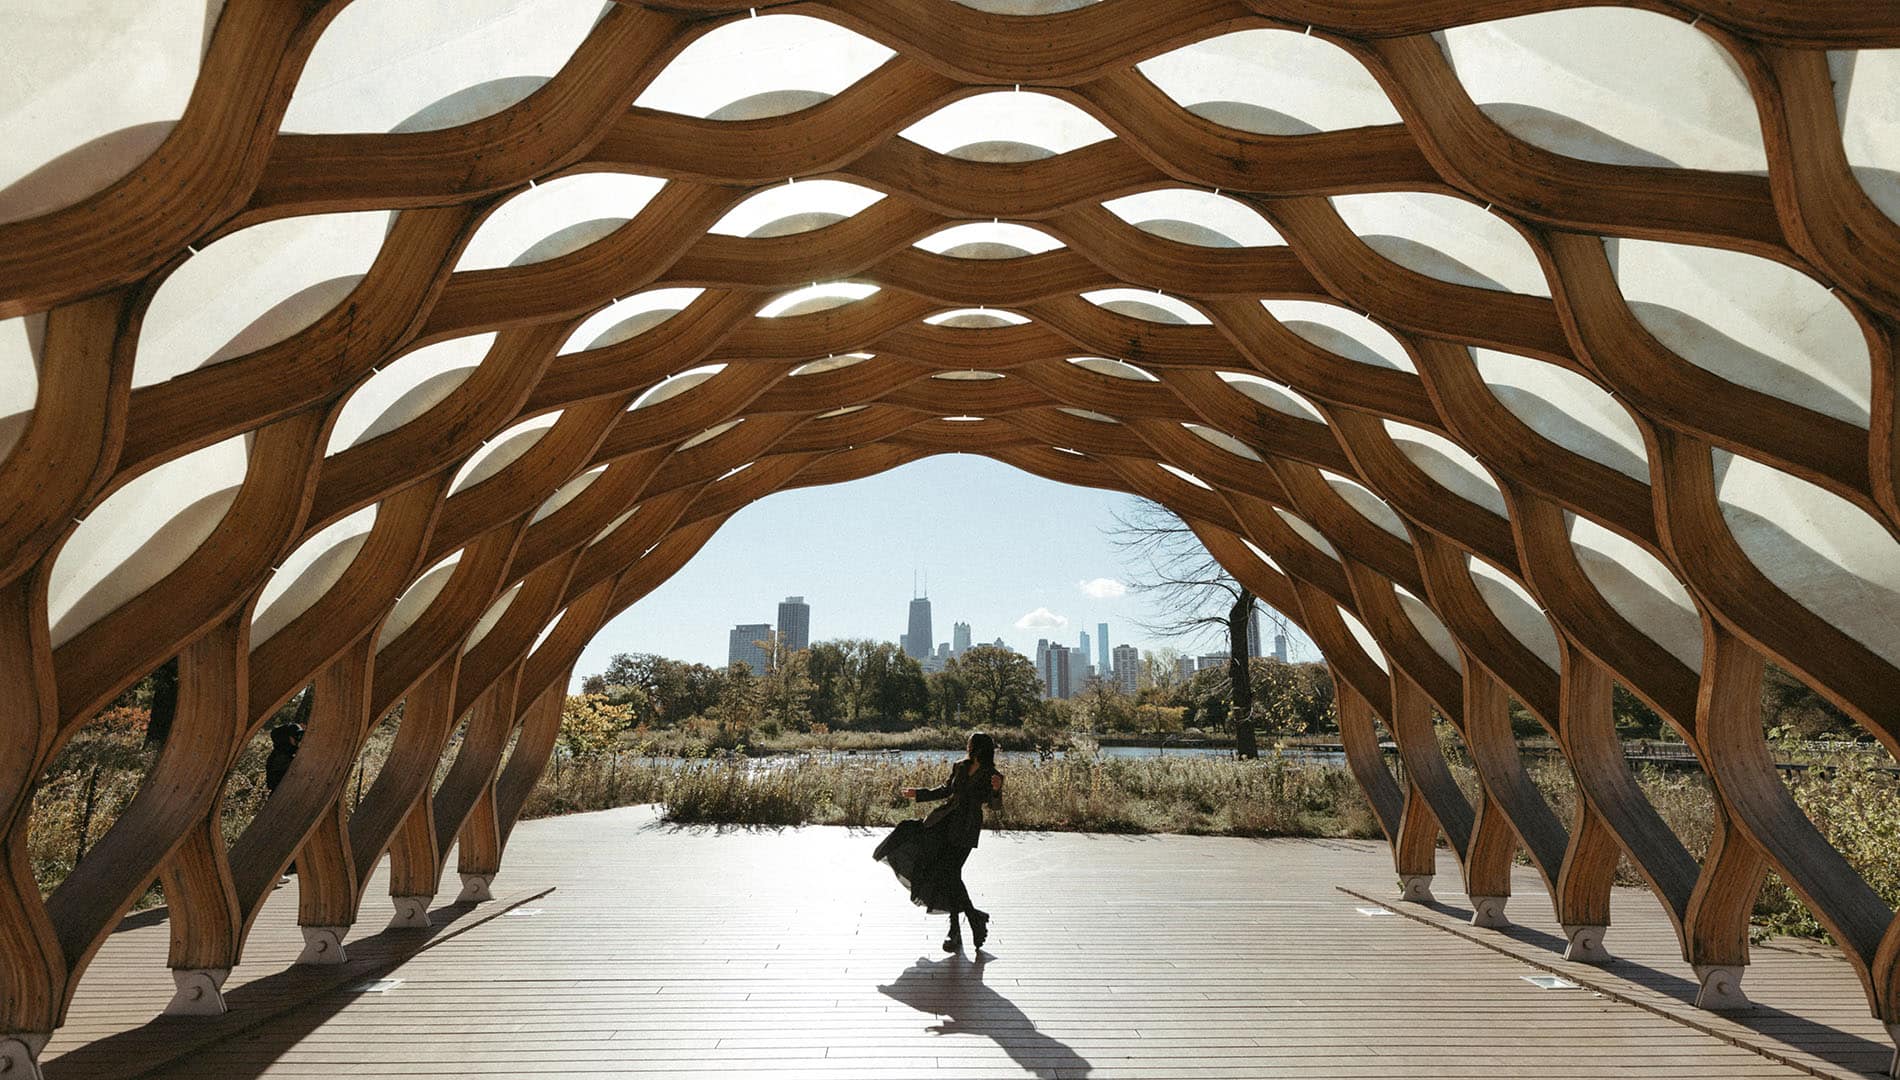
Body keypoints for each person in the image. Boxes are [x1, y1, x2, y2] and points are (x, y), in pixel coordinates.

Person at [871, 732, 1004, 952]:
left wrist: (997, 790)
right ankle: (963, 926)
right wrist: (919, 794)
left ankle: (968, 923)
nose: (968, 746)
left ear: (979, 747)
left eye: (971, 743)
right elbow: (945, 790)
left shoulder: (993, 774)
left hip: (966, 828)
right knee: (948, 874)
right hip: (944, 822)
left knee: (950, 874)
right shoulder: (960, 766)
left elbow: (995, 806)